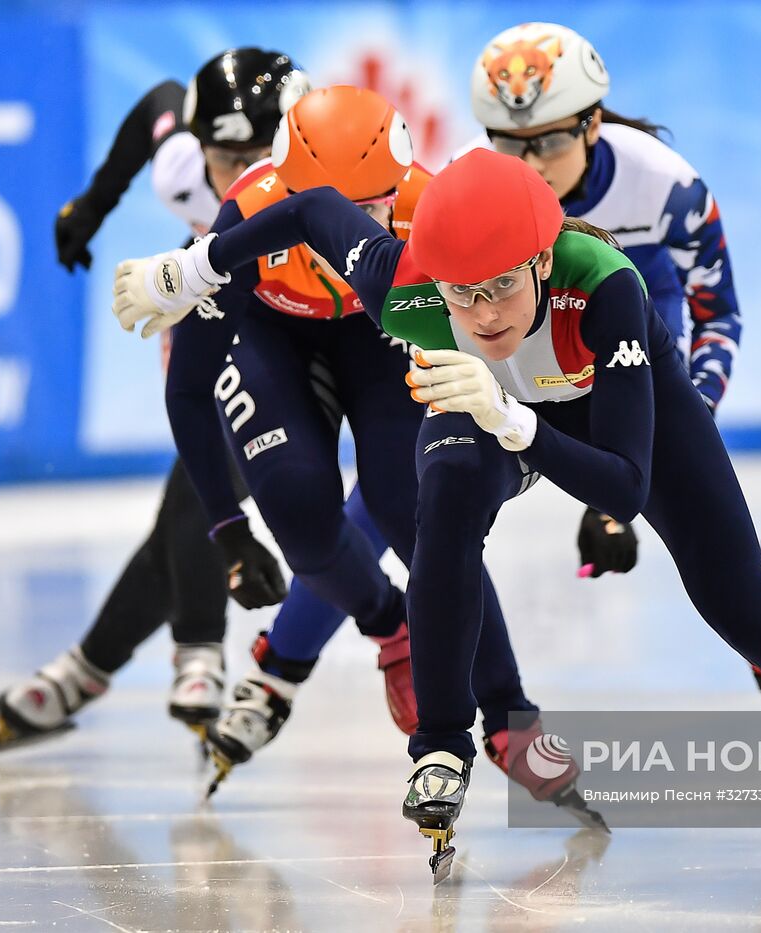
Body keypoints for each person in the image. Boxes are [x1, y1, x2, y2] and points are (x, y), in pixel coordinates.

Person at [112, 149, 761, 877]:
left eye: (503, 287)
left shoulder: (606, 287)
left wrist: (509, 416)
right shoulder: (405, 277)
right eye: (460, 293)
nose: (483, 310)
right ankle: (442, 745)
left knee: (746, 609)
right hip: (482, 409)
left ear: (542, 260)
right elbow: (308, 211)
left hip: (612, 419)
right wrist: (186, 269)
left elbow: (622, 486)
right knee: (442, 524)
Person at [115, 86, 604, 827]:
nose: (352, 234)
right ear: (290, 196)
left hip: (381, 334)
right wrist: (226, 524)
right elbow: (188, 387)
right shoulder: (247, 216)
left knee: (424, 515)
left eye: (376, 209)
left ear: (402, 188)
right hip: (272, 337)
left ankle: (509, 716)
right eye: (334, 211)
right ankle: (391, 627)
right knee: (302, 520)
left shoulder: (432, 209)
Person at [0, 49, 403, 758]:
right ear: (201, 152)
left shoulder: (318, 178)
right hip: (236, 294)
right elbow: (157, 106)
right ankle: (165, 652)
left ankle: (122, 660)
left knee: (214, 486)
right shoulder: (182, 170)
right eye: (226, 159)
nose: (245, 173)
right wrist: (94, 203)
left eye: (264, 154)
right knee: (211, 467)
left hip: (331, 311)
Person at [463, 22, 761, 772]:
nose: (529, 164)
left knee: (724, 565)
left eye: (548, 142)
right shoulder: (473, 186)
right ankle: (495, 714)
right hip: (522, 382)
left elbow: (719, 313)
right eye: (509, 144)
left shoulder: (665, 185)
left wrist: (683, 423)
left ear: (593, 123)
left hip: (633, 364)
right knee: (431, 510)